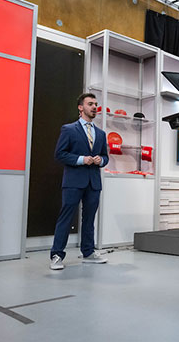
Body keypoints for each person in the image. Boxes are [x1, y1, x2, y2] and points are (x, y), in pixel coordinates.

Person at [50, 93, 109, 270]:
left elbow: (106, 156)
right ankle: (56, 255)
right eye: (90, 104)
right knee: (66, 218)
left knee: (89, 219)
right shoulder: (68, 129)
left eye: (96, 104)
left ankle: (88, 253)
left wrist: (102, 161)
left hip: (93, 183)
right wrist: (82, 159)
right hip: (74, 181)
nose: (94, 107)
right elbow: (60, 154)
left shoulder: (101, 133)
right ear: (80, 107)